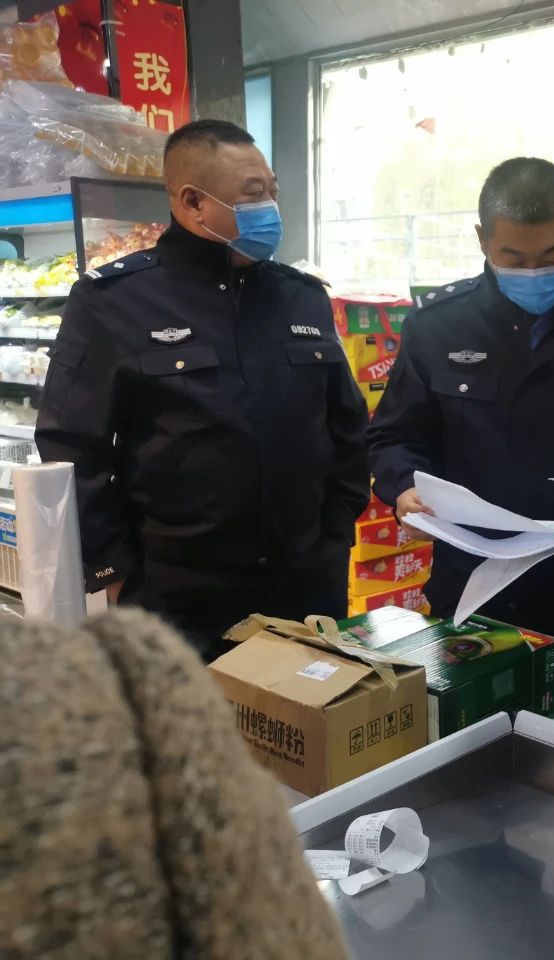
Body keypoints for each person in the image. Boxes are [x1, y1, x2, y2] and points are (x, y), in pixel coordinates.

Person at [35, 119, 369, 660]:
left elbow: (347, 427)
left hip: (304, 588)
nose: (271, 209)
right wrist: (114, 569)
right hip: (176, 598)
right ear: (193, 202)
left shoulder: (302, 297)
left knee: (312, 714)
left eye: (273, 191)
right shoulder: (114, 301)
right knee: (181, 718)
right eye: (254, 195)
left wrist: (335, 533)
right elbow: (71, 444)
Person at [368, 157, 554, 667]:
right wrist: (405, 489)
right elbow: (395, 435)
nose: (534, 272)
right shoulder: (438, 326)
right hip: (467, 585)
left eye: (552, 255)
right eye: (514, 258)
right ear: (483, 241)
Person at [0, 609, 349, 960]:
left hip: (271, 618)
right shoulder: (121, 668)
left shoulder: (116, 668)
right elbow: (276, 921)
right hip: (193, 619)